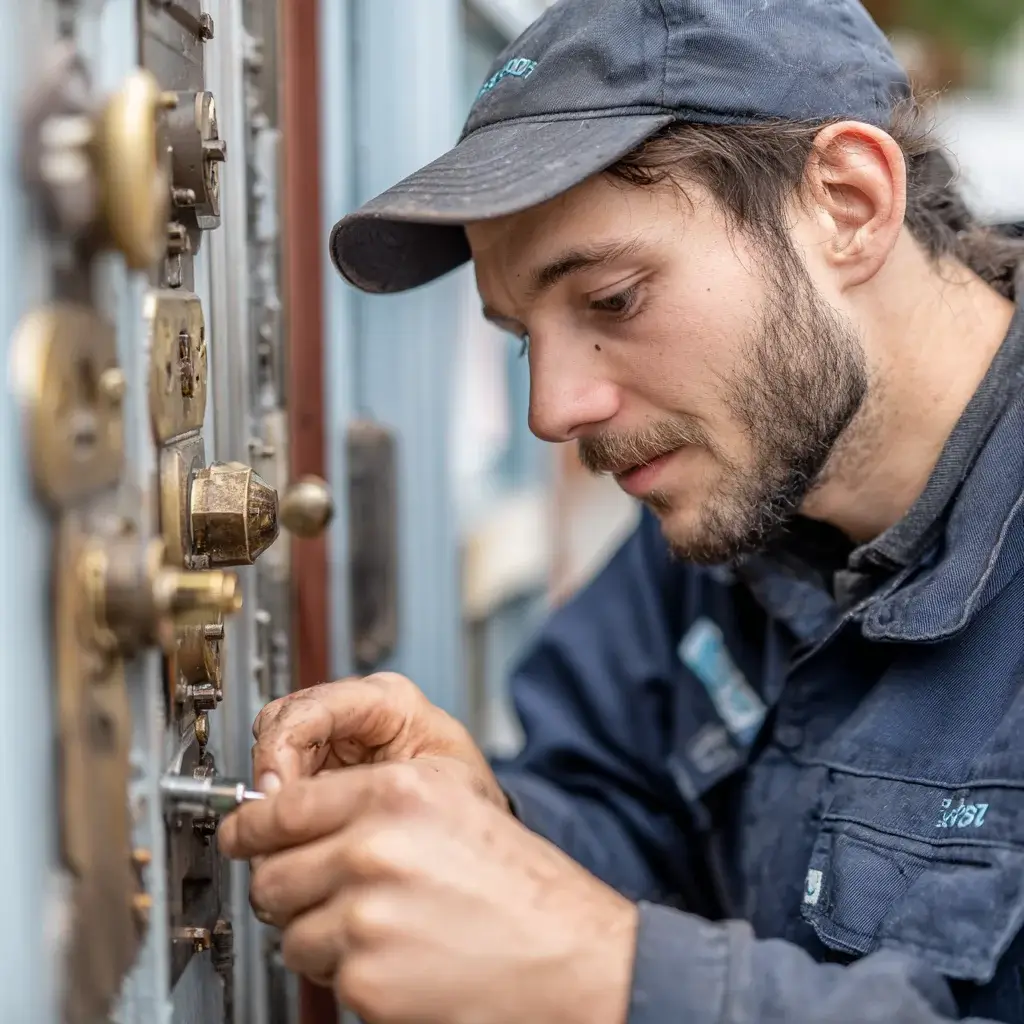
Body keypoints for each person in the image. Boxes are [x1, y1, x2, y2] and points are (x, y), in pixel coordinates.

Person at [218, 1, 1024, 1021]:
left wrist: (614, 978)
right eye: (522, 337)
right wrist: (495, 832)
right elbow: (624, 806)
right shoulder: (730, 508)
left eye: (611, 301)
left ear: (848, 203)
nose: (553, 410)